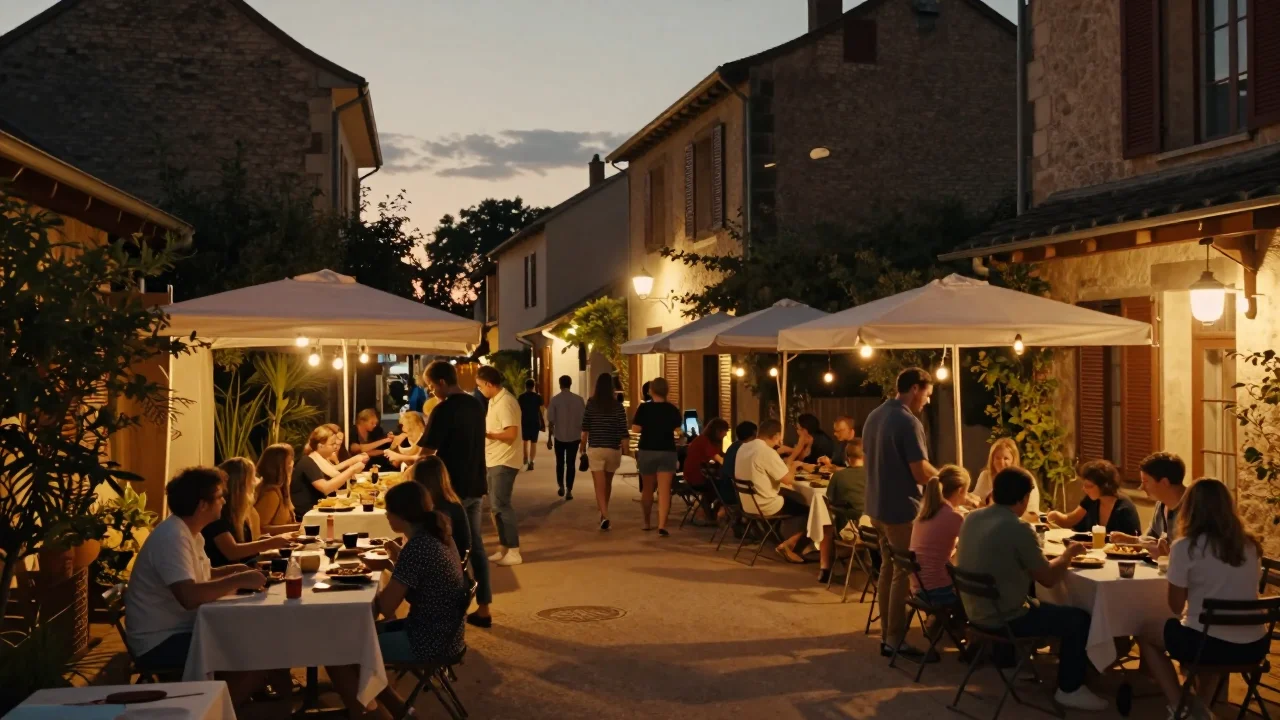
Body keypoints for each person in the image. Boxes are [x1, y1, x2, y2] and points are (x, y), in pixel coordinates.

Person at [955, 467, 1108, 711]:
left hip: (974, 612)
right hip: (1006, 617)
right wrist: (1067, 555)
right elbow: (1048, 578)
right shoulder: (1018, 528)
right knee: (1078, 619)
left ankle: (1014, 661)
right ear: (1025, 498)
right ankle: (1070, 688)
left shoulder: (973, 518)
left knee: (1037, 598)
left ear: (994, 491)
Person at [125, 467, 274, 709]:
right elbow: (189, 596)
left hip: (183, 627)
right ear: (203, 504)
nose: (224, 501)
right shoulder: (172, 537)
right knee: (257, 652)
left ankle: (244, 701)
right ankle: (212, 711)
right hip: (159, 640)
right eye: (219, 496)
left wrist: (236, 571)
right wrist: (237, 581)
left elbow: (200, 574)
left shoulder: (189, 532)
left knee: (259, 636)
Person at [328, 481, 469, 720]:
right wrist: (390, 562)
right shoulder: (440, 535)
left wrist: (368, 578)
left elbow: (386, 607)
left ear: (401, 515)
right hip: (446, 633)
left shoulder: (418, 547)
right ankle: (400, 710)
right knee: (355, 637)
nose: (386, 515)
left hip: (427, 640)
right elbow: (420, 580)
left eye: (388, 511)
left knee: (339, 651)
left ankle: (370, 715)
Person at [1137, 478, 1269, 718]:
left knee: (1146, 632)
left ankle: (1179, 705)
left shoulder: (1185, 547)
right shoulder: (1250, 545)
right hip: (1254, 646)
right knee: (1204, 637)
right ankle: (1200, 709)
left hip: (1207, 645)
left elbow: (1175, 606)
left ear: (1189, 508)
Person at [863, 367, 937, 660]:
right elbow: (920, 472)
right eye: (927, 394)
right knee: (902, 573)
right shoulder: (908, 421)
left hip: (876, 506)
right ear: (915, 388)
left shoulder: (874, 415)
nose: (928, 401)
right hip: (900, 509)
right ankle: (894, 639)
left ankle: (887, 635)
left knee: (887, 569)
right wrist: (945, 479)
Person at [412, 360, 493, 628]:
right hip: (476, 484)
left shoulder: (443, 410)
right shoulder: (476, 405)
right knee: (475, 547)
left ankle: (449, 609)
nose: (431, 391)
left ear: (442, 382)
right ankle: (483, 607)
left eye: (431, 386)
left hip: (449, 489)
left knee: (448, 549)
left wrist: (409, 474)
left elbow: (426, 453)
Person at [204, 457, 295, 567]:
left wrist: (264, 545)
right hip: (228, 575)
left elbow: (243, 552)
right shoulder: (219, 514)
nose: (255, 482)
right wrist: (267, 544)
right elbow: (232, 552)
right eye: (252, 478)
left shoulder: (238, 513)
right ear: (240, 485)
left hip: (243, 571)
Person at [477, 365, 524, 566]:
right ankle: (504, 547)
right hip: (494, 458)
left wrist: (488, 434)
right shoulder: (495, 401)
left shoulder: (505, 402)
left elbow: (511, 433)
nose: (479, 390)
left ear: (489, 384)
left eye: (480, 386)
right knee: (496, 507)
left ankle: (513, 550)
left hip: (504, 460)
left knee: (501, 506)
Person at [909, 465, 970, 619]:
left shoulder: (924, 515)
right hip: (940, 591)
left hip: (919, 589)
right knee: (979, 593)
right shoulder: (954, 517)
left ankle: (938, 623)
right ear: (960, 490)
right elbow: (975, 547)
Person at [734, 420, 805, 547]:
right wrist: (794, 466)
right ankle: (791, 545)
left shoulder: (743, 448)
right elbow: (788, 480)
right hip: (766, 506)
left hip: (747, 504)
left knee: (789, 496)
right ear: (776, 435)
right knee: (808, 507)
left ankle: (775, 537)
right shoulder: (766, 451)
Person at [1111, 452, 1188, 557]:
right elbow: (1151, 538)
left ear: (1164, 482)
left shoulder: (1195, 508)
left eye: (1145, 481)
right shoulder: (1161, 505)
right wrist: (1131, 540)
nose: (1141, 487)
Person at [632, 377, 682, 536]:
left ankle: (647, 522)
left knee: (648, 488)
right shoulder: (672, 409)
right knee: (665, 490)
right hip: (667, 451)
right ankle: (662, 525)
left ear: (651, 390)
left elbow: (635, 429)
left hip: (647, 450)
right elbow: (679, 431)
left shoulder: (644, 408)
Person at [582, 372, 629, 531]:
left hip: (596, 448)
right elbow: (623, 430)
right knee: (607, 483)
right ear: (611, 387)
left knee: (599, 485)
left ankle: (605, 514)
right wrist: (626, 449)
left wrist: (582, 446)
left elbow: (585, 427)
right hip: (613, 449)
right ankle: (604, 513)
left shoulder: (591, 403)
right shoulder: (618, 406)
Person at [289, 425, 368, 518]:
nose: (336, 447)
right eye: (332, 444)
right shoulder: (307, 462)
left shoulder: (321, 459)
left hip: (321, 510)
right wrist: (352, 470)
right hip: (308, 514)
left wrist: (353, 463)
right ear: (320, 446)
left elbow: (335, 470)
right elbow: (326, 488)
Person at [1046, 459, 1141, 537]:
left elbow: (1133, 542)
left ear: (1104, 486)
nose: (1084, 489)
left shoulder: (1124, 509)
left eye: (1089, 486)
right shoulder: (1091, 500)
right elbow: (1070, 520)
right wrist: (1053, 516)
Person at [821, 439, 869, 583]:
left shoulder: (838, 476)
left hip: (847, 530)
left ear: (847, 457)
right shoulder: (874, 475)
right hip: (872, 531)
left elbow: (831, 500)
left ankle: (826, 568)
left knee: (826, 523)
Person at [408, 455, 471, 563]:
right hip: (456, 563)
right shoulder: (454, 504)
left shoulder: (431, 512)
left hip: (441, 566)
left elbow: (423, 554)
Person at [972, 438, 1039, 520]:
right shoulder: (985, 476)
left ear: (1013, 460)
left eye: (1006, 458)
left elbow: (1033, 516)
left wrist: (1004, 514)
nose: (1001, 462)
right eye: (997, 458)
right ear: (992, 460)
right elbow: (977, 502)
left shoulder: (1024, 478)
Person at [546, 374, 586, 499]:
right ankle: (569, 490)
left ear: (560, 384)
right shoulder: (579, 400)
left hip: (559, 436)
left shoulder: (555, 400)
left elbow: (551, 421)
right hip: (575, 437)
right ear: (570, 384)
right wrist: (584, 441)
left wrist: (549, 439)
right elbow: (584, 421)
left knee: (560, 463)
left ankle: (561, 486)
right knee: (571, 463)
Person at [683, 417, 728, 524]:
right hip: (697, 477)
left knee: (719, 486)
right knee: (724, 488)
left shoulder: (703, 439)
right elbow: (719, 459)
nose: (726, 434)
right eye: (725, 431)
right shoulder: (705, 441)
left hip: (693, 475)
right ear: (718, 431)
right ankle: (711, 515)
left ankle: (710, 514)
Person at [254, 443, 300, 534]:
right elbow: (260, 529)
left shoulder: (281, 489)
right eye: (289, 462)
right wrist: (297, 527)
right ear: (279, 467)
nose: (292, 466)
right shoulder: (271, 494)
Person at [718, 421, 756, 510]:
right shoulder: (745, 449)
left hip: (725, 489)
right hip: (734, 493)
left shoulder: (734, 446)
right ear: (753, 435)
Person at [517, 378, 545, 471]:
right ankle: (531, 461)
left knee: (525, 441)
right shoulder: (538, 397)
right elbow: (542, 410)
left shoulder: (521, 397)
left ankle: (525, 458)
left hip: (524, 421)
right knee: (534, 442)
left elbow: (518, 410)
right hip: (535, 421)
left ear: (525, 386)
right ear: (533, 386)